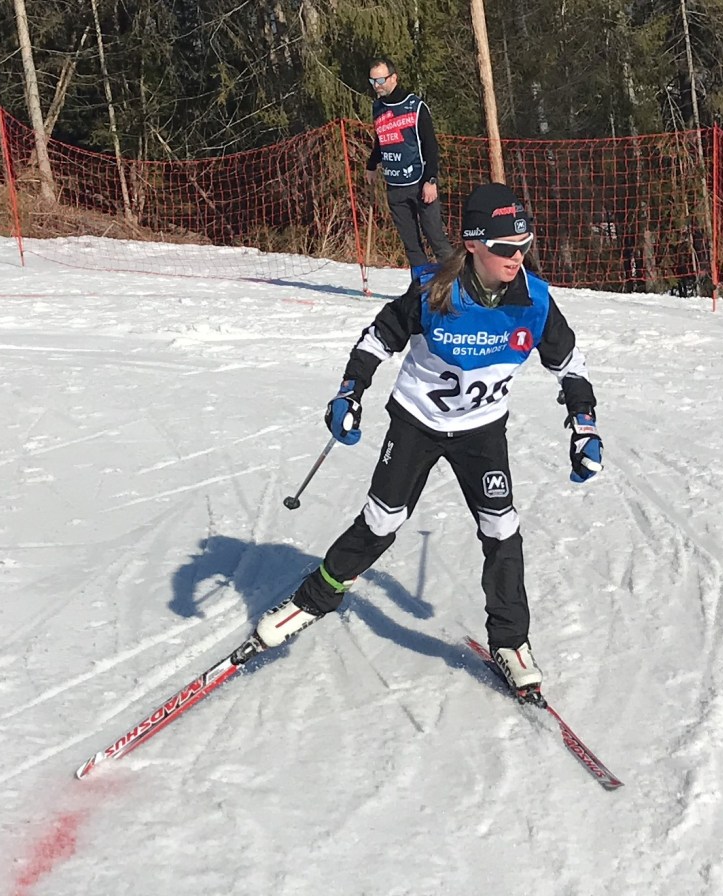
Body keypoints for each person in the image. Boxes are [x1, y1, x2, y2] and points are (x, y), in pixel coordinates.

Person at [254, 183, 603, 698]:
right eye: (505, 248)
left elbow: (569, 364)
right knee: (382, 521)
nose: (517, 257)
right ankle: (311, 601)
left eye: (524, 245)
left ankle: (510, 641)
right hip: (417, 422)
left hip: (481, 429)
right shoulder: (434, 291)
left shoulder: (535, 300)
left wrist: (584, 424)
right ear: (474, 244)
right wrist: (350, 392)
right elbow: (379, 337)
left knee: (501, 529)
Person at [365, 56, 451, 278]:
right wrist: (371, 164)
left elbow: (430, 146)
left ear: (394, 78)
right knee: (411, 245)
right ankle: (422, 286)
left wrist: (431, 180)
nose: (377, 86)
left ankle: (458, 284)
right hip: (394, 186)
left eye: (380, 80)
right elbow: (382, 139)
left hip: (419, 183)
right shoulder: (378, 108)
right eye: (373, 81)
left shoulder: (415, 106)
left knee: (435, 238)